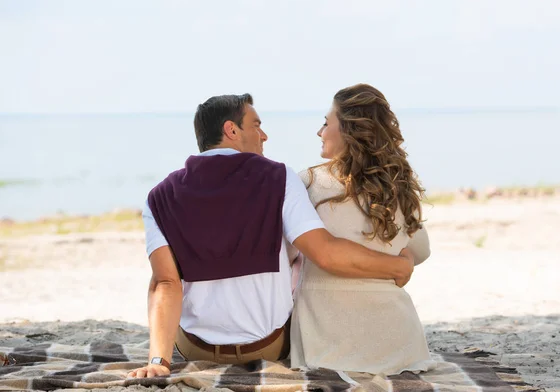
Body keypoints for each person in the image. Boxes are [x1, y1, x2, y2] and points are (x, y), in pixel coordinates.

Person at [128, 93, 417, 378]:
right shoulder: (279, 177)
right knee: (297, 256)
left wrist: (159, 361)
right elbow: (325, 254)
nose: (263, 135)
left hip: (195, 349)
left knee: (168, 277)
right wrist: (397, 266)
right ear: (231, 130)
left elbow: (166, 283)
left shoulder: (159, 197)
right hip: (267, 348)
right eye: (256, 125)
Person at [290, 84, 436, 375]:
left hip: (326, 340)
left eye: (325, 123)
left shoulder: (306, 182)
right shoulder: (400, 185)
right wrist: (400, 261)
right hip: (399, 342)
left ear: (347, 130)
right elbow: (421, 250)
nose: (320, 132)